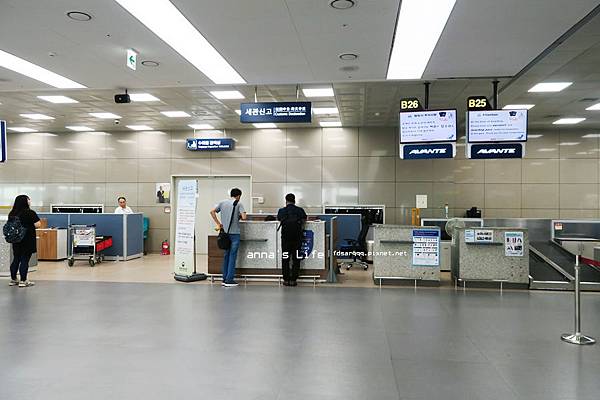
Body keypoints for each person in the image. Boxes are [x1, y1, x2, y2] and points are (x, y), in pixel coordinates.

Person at [210, 188, 247, 287]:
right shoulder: (239, 204)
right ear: (238, 196)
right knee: (232, 256)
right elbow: (244, 217)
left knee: (226, 255)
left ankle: (224, 278)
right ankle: (229, 280)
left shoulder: (222, 203)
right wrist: (238, 216)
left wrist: (219, 223)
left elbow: (212, 212)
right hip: (235, 234)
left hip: (225, 234)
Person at [8, 195, 41, 288]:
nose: (30, 201)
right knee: (25, 259)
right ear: (25, 201)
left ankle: (13, 279)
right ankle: (23, 280)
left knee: (16, 259)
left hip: (16, 239)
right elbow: (38, 224)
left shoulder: (12, 213)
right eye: (28, 199)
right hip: (27, 239)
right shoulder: (30, 212)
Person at [277, 193, 307, 287]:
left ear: (286, 201)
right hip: (297, 238)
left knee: (285, 258)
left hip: (285, 238)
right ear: (294, 200)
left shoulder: (282, 211)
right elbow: (304, 220)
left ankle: (286, 280)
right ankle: (293, 280)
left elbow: (279, 219)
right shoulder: (300, 210)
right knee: (296, 259)